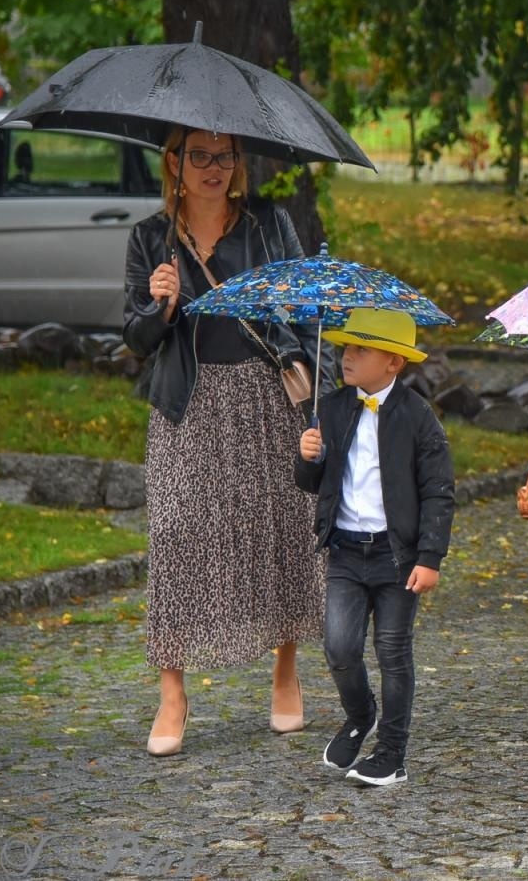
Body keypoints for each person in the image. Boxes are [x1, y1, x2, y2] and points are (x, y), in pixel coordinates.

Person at [124, 126, 329, 758]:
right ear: (175, 163)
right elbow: (135, 339)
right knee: (179, 532)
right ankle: (172, 692)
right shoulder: (148, 237)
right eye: (200, 156)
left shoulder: (268, 224)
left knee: (280, 527)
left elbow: (306, 310)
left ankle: (286, 670)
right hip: (189, 403)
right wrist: (159, 305)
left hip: (265, 398)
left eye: (225, 155)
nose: (215, 167)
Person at [295, 308, 456, 786]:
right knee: (339, 646)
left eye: (361, 350)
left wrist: (430, 558)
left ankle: (391, 752)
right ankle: (360, 714)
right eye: (346, 347)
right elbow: (313, 483)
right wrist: (308, 457)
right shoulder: (334, 407)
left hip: (396, 556)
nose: (348, 356)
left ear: (393, 363)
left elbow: (438, 491)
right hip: (345, 550)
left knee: (392, 650)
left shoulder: (417, 417)